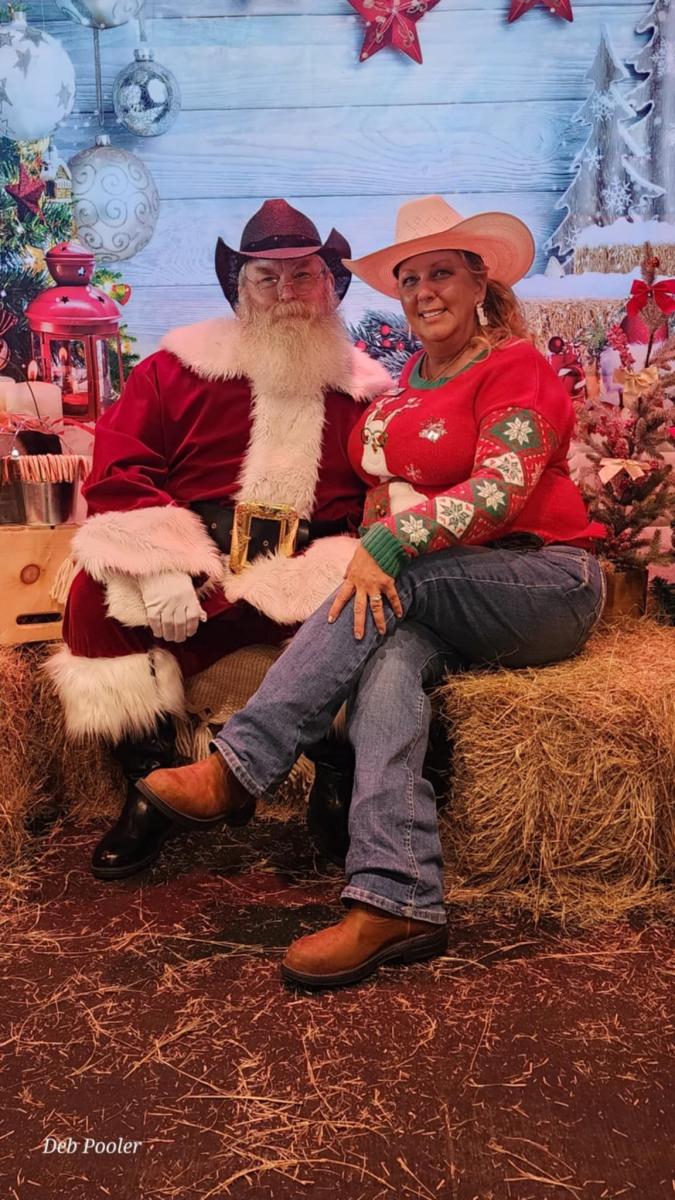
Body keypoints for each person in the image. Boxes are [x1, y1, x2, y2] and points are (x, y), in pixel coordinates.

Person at [131, 196, 606, 989]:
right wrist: (372, 533)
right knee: (384, 650)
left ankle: (243, 762)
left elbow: (499, 486)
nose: (423, 291)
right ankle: (398, 895)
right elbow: (379, 495)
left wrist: (385, 544)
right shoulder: (405, 387)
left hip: (543, 579)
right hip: (444, 594)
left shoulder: (514, 365)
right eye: (409, 277)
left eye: (441, 273)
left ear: (479, 279)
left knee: (395, 580)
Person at [46, 199, 391, 882]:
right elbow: (122, 465)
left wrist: (363, 551)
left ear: (333, 286)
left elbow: (390, 487)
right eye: (268, 277)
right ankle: (149, 789)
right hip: (200, 558)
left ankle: (334, 774)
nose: (287, 294)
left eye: (304, 276)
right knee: (94, 599)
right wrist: (166, 563)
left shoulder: (366, 389)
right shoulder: (175, 370)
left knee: (362, 620)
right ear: (240, 289)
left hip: (313, 563)